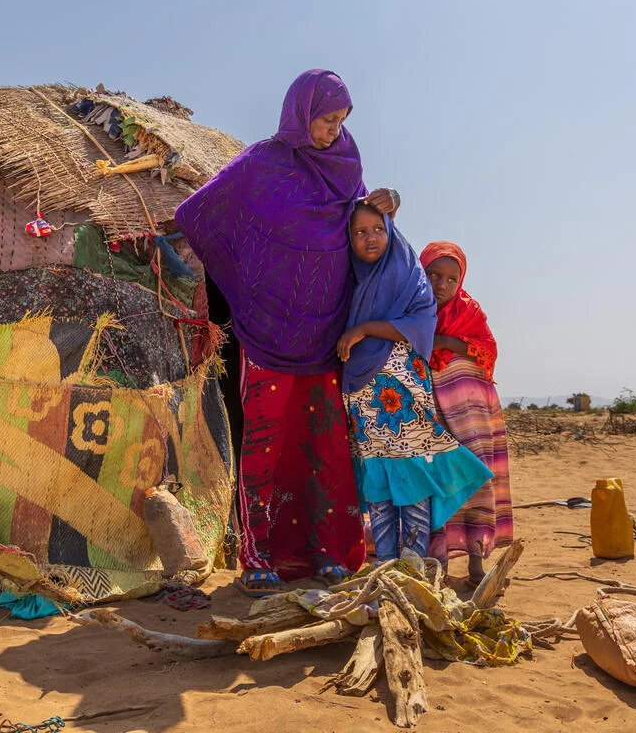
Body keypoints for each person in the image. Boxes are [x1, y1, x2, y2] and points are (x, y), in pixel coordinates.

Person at [174, 69, 399, 597]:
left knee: (324, 446)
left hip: (327, 337)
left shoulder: (346, 167)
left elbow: (361, 225)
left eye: (341, 121)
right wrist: (246, 282)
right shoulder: (262, 164)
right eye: (325, 120)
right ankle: (257, 554)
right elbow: (199, 212)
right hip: (271, 333)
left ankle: (328, 551)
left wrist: (384, 204)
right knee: (264, 444)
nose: (331, 131)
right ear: (301, 112)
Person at [337, 204, 492, 561]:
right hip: (362, 396)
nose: (369, 238)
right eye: (359, 232)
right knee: (378, 483)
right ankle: (387, 569)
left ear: (390, 231)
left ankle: (414, 570)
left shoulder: (408, 275)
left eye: (377, 228)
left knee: (415, 475)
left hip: (404, 396)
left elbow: (422, 327)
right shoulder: (347, 277)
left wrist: (363, 329)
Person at [420, 241, 513, 585]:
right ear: (421, 271)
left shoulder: (470, 312)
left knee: (477, 478)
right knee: (440, 482)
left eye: (450, 278)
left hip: (474, 416)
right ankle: (438, 562)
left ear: (461, 281)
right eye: (433, 274)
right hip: (433, 414)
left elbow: (487, 352)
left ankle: (476, 561)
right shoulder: (412, 309)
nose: (441, 284)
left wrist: (443, 342)